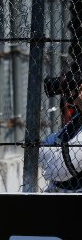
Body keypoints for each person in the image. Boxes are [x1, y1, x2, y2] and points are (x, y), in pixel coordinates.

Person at [39, 62, 82, 191]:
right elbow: (37, 152)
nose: (74, 99)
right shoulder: (78, 118)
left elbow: (60, 170)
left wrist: (53, 150)